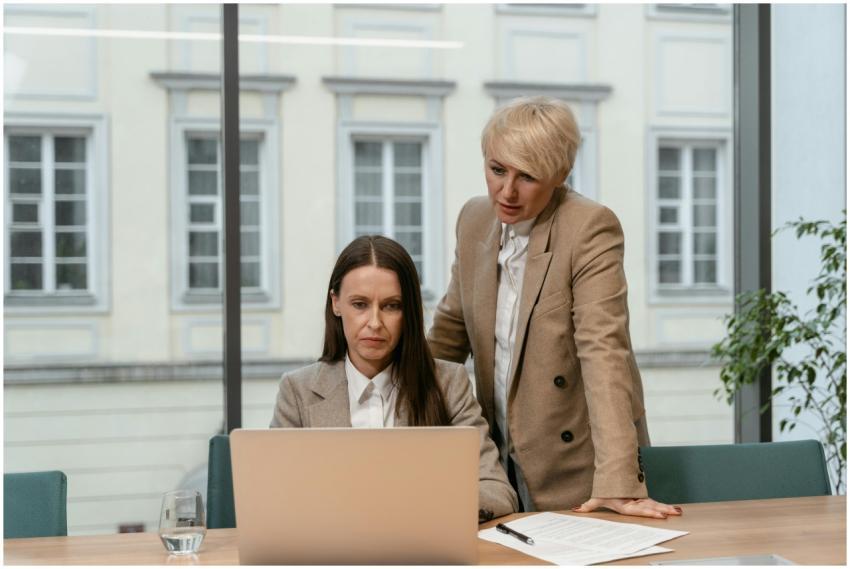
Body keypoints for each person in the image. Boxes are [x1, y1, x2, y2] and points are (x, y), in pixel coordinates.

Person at [427, 96, 682, 519]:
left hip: (578, 469)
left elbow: (604, 352)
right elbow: (448, 338)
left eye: (527, 177)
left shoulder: (589, 227)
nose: (506, 191)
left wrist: (618, 481)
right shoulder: (474, 219)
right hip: (495, 459)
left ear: (560, 175)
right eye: (497, 170)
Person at [270, 235, 518, 521]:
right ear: (336, 303)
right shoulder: (297, 391)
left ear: (408, 310)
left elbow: (498, 492)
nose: (375, 322)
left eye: (391, 306)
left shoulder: (449, 384)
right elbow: (277, 500)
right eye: (360, 304)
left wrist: (418, 507)